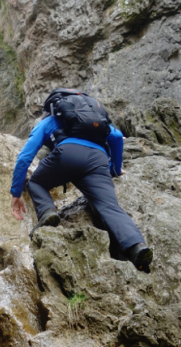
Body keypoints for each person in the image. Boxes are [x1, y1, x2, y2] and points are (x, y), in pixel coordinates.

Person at [10, 88, 153, 272]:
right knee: (109, 207)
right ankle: (136, 247)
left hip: (67, 156)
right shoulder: (96, 122)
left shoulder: (50, 121)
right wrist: (115, 169)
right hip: (98, 161)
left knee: (36, 183)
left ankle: (48, 212)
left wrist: (15, 193)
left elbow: (24, 158)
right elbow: (117, 137)